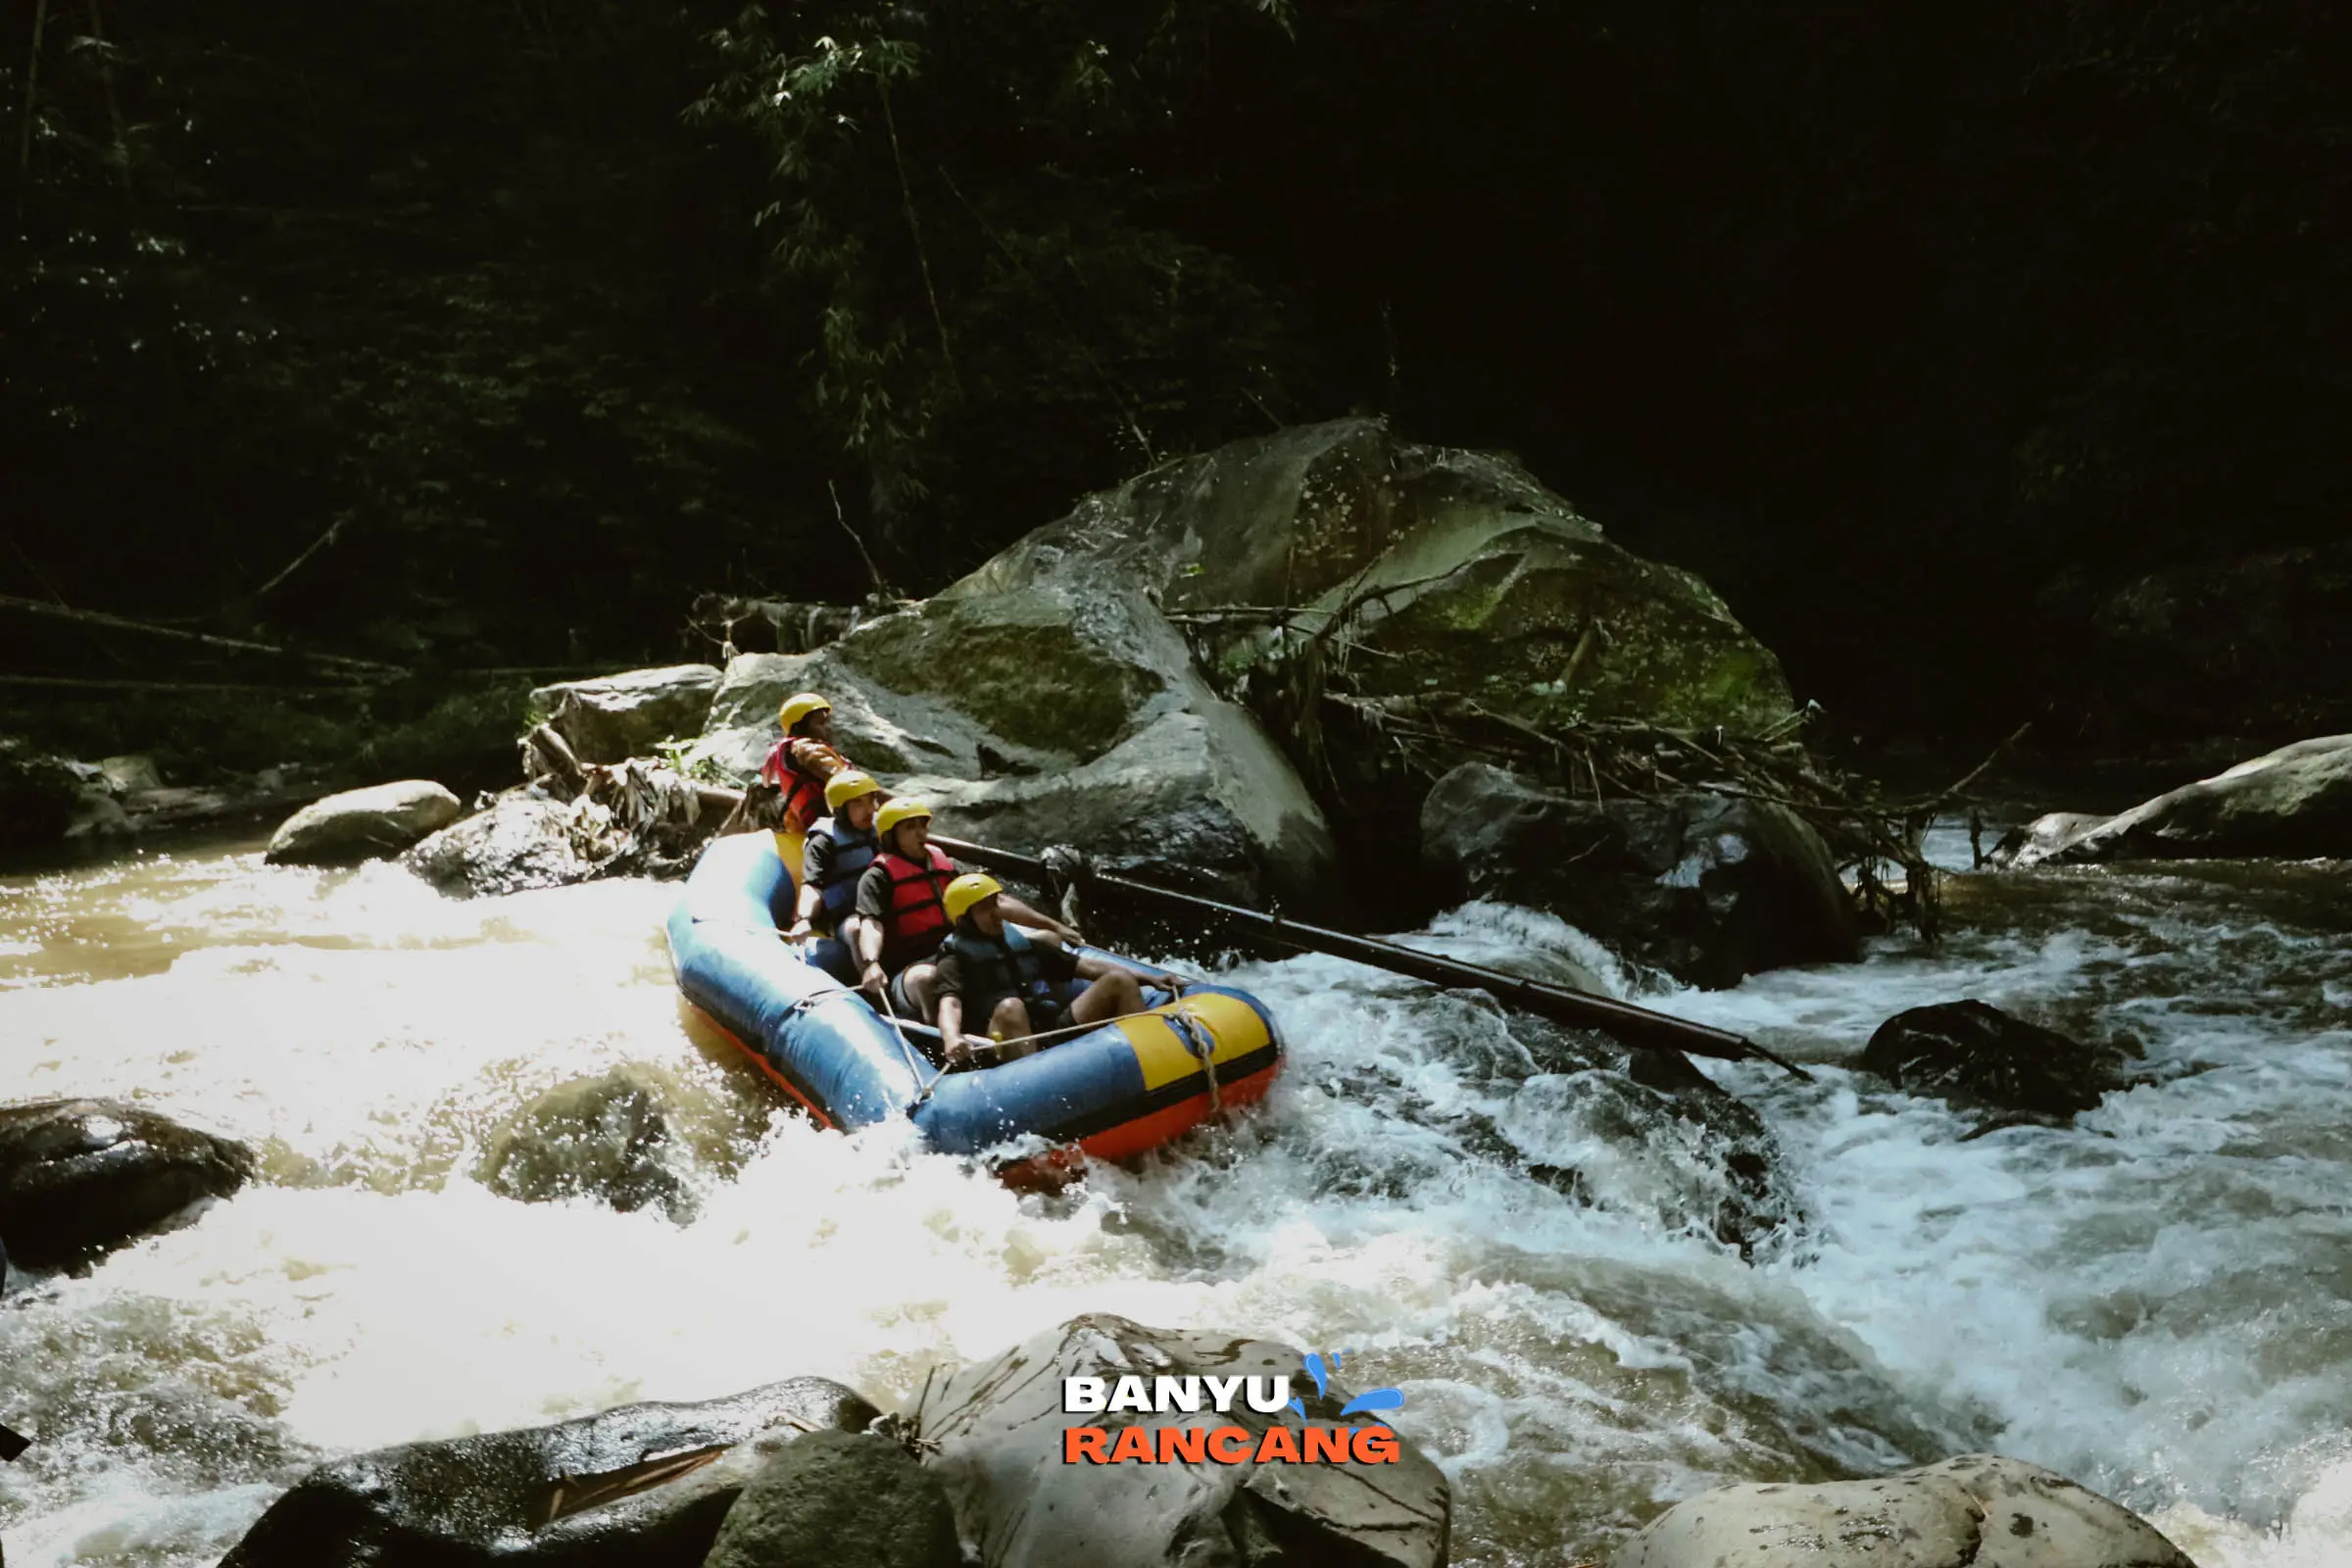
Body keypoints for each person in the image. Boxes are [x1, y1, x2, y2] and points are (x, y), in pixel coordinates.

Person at [851, 798, 1077, 1021]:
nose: (921, 833)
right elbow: (871, 924)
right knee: (926, 978)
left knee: (1050, 939)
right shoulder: (877, 878)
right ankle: (942, 1043)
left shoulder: (946, 865)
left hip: (961, 949)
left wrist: (1054, 925)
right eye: (910, 828)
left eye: (922, 825)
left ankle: (1054, 1015)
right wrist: (871, 963)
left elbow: (998, 902)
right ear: (891, 836)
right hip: (913, 964)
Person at [931, 874, 1146, 1068]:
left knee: (1119, 980)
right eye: (984, 909)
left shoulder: (1021, 943)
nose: (996, 914)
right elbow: (950, 1003)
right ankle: (1040, 1083)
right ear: (965, 920)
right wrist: (951, 1037)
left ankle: (1146, 1056)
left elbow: (1089, 967)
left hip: (1051, 1028)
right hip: (1003, 1041)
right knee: (1011, 1007)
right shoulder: (953, 957)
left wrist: (1151, 979)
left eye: (995, 904)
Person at [786, 769, 884, 982]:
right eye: (859, 804)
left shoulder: (883, 828)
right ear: (840, 810)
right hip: (848, 914)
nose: (869, 810)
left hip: (884, 906)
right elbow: (812, 884)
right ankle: (874, 991)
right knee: (856, 928)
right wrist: (804, 919)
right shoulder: (823, 841)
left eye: (871, 801)